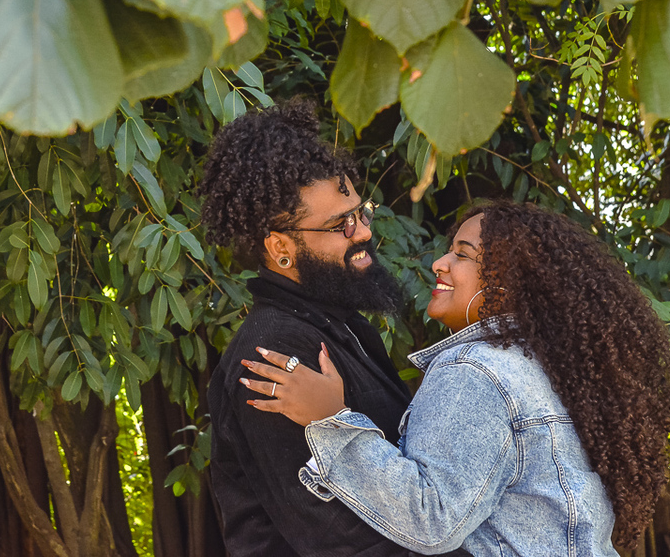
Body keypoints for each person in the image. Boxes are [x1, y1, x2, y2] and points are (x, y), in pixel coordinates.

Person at [241, 201, 670, 557]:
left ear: (507, 285)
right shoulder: (541, 368)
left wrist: (332, 420)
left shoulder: (475, 371)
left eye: (462, 255)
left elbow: (433, 522)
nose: (439, 263)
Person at [201, 99, 470, 557]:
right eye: (340, 225)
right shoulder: (274, 352)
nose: (363, 231)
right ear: (280, 247)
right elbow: (339, 539)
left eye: (360, 212)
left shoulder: (342, 325)